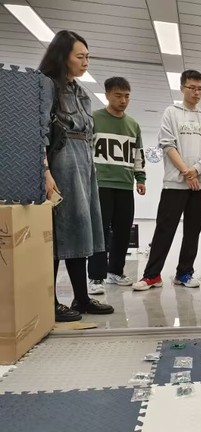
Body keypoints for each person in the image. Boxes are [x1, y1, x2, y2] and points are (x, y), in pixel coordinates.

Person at [39, 30, 114, 322]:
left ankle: (81, 298)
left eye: (87, 57)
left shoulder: (80, 92)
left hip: (83, 162)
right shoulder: (46, 86)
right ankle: (50, 301)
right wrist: (45, 171)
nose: (86, 62)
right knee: (59, 233)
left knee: (81, 229)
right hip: (61, 162)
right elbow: (38, 132)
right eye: (80, 56)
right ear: (63, 56)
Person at [132, 69, 201, 291]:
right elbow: (167, 144)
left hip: (200, 184)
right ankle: (152, 275)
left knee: (192, 231)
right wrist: (186, 172)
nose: (197, 92)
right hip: (174, 183)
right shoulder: (171, 112)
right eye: (192, 88)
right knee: (164, 229)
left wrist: (196, 170)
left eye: (200, 89)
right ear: (182, 88)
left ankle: (184, 273)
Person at [87, 77, 146, 295]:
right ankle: (96, 277)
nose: (123, 100)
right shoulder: (94, 119)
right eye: (118, 95)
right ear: (107, 95)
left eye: (127, 96)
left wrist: (140, 178)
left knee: (123, 231)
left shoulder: (133, 125)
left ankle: (115, 272)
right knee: (100, 232)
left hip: (125, 185)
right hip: (101, 184)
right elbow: (85, 151)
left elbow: (138, 155)